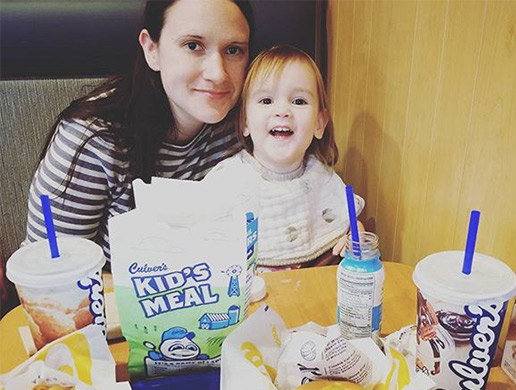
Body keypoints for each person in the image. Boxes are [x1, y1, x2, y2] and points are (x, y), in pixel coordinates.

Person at [25, 0, 253, 263]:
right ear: (151, 49)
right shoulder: (94, 140)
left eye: (234, 50)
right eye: (193, 46)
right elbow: (51, 273)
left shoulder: (250, 120)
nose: (218, 73)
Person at [203, 45, 364, 270]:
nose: (282, 111)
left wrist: (355, 235)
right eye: (266, 101)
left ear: (319, 123)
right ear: (245, 122)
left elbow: (346, 226)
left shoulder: (322, 177)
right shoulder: (228, 180)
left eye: (298, 101)